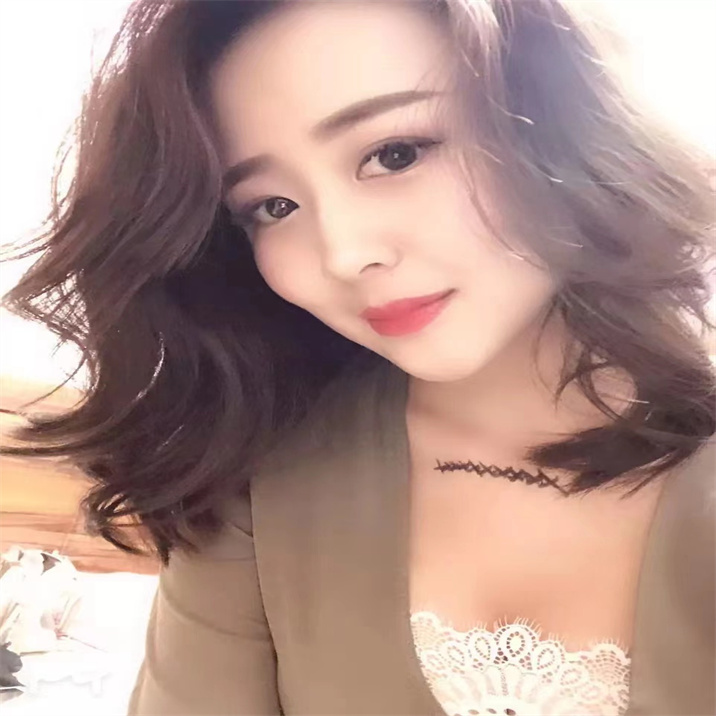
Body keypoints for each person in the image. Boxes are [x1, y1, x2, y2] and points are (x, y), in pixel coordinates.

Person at [1, 0, 714, 714]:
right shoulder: (256, 476)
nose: (343, 253)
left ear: (565, 121)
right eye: (272, 207)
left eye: (395, 154)